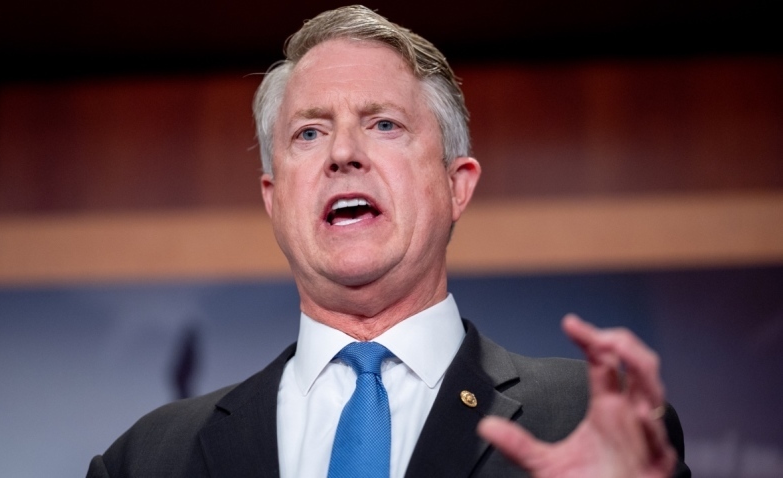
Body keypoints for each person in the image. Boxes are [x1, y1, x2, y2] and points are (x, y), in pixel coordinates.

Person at [87, 5, 689, 477]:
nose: (343, 153)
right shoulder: (147, 460)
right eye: (309, 132)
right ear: (273, 199)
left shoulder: (584, 421)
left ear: (457, 186)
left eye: (383, 124)